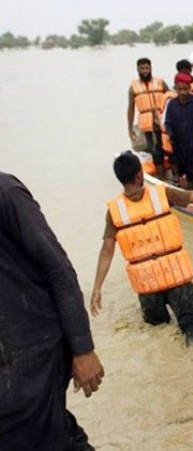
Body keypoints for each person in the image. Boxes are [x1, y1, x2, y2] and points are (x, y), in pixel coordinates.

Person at [0, 172, 104, 450]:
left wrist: (82, 349)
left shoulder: (6, 192)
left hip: (35, 353)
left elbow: (57, 268)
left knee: (44, 437)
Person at [90, 151, 193, 346]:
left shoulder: (114, 211)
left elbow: (107, 250)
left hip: (148, 289)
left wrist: (97, 288)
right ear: (140, 175)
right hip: (176, 278)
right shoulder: (162, 193)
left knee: (157, 332)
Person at [127, 57, 169, 175]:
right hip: (147, 125)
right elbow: (131, 108)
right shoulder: (133, 87)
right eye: (142, 68)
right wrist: (130, 129)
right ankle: (161, 176)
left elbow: (170, 98)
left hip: (162, 121)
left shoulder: (160, 82)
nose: (145, 71)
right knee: (154, 151)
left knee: (168, 148)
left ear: (151, 68)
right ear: (137, 69)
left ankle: (172, 174)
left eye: (147, 68)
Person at [164, 72, 193, 189]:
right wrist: (171, 135)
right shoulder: (172, 104)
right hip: (178, 145)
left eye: (185, 89)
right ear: (176, 88)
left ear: (190, 88)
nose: (183, 92)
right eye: (180, 89)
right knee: (181, 171)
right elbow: (168, 122)